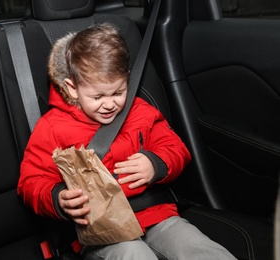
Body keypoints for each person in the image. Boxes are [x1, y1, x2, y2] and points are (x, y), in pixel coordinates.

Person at [18, 23, 236, 260]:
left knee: (199, 249)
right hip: (102, 230)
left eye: (118, 92)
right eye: (98, 96)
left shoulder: (141, 112)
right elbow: (31, 181)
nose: (110, 104)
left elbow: (176, 149)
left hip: (156, 215)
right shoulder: (53, 127)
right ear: (72, 88)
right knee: (134, 254)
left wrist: (156, 164)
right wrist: (58, 198)